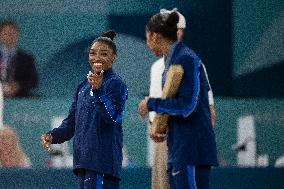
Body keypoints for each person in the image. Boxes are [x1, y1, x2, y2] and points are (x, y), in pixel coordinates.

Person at [138, 11, 218, 189]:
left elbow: (187, 106)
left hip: (190, 152)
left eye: (147, 38)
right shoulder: (173, 60)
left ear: (155, 36)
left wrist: (150, 103)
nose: (148, 45)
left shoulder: (185, 59)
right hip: (179, 150)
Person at [41, 30, 128, 189]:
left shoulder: (117, 85)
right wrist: (53, 135)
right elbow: (71, 123)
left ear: (113, 57)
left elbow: (113, 117)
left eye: (104, 54)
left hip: (103, 162)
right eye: (93, 53)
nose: (97, 58)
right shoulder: (82, 86)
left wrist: (99, 91)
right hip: (83, 161)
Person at [0, 20, 38, 97]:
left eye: (12, 33)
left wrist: (18, 86)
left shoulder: (26, 58)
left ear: (17, 35)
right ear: (0, 35)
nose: (9, 36)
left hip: (19, 98)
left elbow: (33, 80)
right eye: (6, 33)